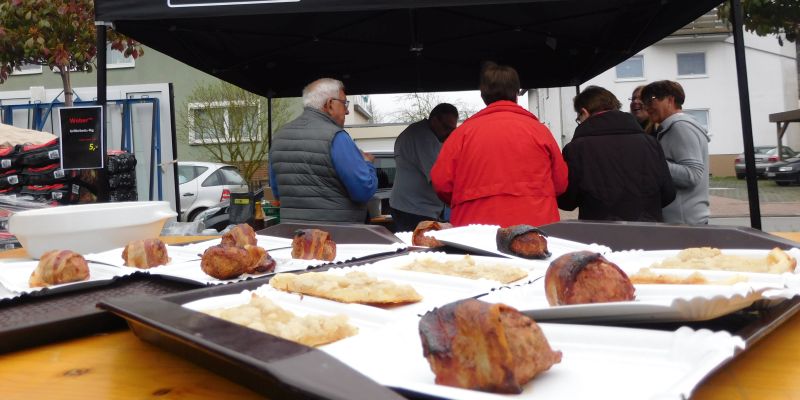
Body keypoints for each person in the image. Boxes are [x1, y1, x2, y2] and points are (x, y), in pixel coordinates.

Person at [431, 62, 569, 227]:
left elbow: (442, 184)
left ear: (483, 95)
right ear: (516, 93)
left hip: (474, 230)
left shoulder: (461, 134)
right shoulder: (539, 131)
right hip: (536, 227)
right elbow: (560, 183)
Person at [557, 86, 675, 221]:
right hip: (647, 233)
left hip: (598, 234)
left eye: (579, 118)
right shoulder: (650, 142)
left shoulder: (576, 149)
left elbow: (567, 201)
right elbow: (668, 194)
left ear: (584, 112)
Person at [268, 78, 377, 223]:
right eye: (344, 104)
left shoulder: (279, 136)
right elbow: (363, 191)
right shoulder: (337, 137)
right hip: (336, 236)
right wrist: (367, 164)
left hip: (295, 236)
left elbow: (277, 194)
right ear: (330, 104)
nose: (347, 111)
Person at [641, 80, 710, 225]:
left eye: (651, 100)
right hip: (682, 221)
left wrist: (652, 162)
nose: (646, 107)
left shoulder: (680, 127)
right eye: (644, 102)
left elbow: (692, 175)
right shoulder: (672, 127)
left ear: (670, 99)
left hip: (684, 223)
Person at [389, 103, 459, 232]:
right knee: (422, 248)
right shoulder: (425, 138)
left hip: (406, 206)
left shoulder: (413, 130)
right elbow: (440, 180)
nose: (449, 134)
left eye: (453, 130)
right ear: (434, 120)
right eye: (446, 128)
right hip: (415, 210)